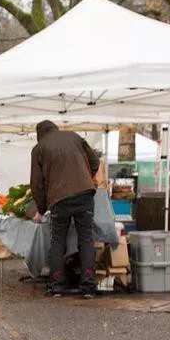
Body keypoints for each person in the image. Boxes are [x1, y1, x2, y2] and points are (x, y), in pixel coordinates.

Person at [30, 120, 100, 298]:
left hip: (59, 199)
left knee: (57, 241)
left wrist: (41, 207)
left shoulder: (39, 149)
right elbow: (94, 161)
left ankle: (57, 285)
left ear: (39, 134)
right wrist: (86, 176)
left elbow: (36, 184)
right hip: (85, 194)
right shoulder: (74, 136)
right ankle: (89, 286)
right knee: (85, 239)